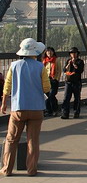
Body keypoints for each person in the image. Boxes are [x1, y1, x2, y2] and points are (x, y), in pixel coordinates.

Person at [0, 38, 50, 176]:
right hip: (36, 109)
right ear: (35, 52)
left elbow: (7, 86)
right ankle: (32, 170)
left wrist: (4, 103)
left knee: (11, 139)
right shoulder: (40, 66)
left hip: (18, 108)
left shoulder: (14, 65)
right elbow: (46, 87)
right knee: (32, 140)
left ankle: (7, 169)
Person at [61, 47, 84, 119]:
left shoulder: (80, 61)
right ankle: (65, 113)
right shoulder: (68, 61)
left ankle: (76, 112)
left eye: (75, 53)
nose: (73, 55)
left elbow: (80, 71)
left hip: (76, 82)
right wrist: (68, 65)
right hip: (68, 82)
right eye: (72, 53)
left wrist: (74, 64)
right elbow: (64, 70)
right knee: (66, 98)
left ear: (77, 54)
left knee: (77, 98)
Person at [43, 46, 62, 116]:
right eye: (48, 51)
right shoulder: (45, 61)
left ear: (53, 52)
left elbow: (59, 71)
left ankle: (55, 109)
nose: (49, 53)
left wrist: (56, 79)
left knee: (51, 95)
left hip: (53, 80)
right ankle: (49, 110)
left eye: (51, 51)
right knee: (47, 96)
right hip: (46, 80)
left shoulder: (56, 60)